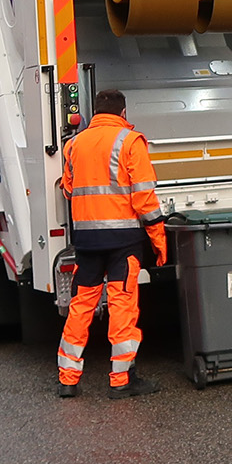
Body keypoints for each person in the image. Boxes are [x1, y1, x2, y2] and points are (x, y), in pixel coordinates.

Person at [56, 88, 167, 399]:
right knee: (121, 305)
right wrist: (159, 242)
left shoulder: (74, 144)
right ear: (123, 113)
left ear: (95, 113)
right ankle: (121, 381)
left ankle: (68, 378)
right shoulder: (130, 141)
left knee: (81, 306)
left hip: (87, 240)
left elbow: (68, 188)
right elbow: (144, 197)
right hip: (122, 240)